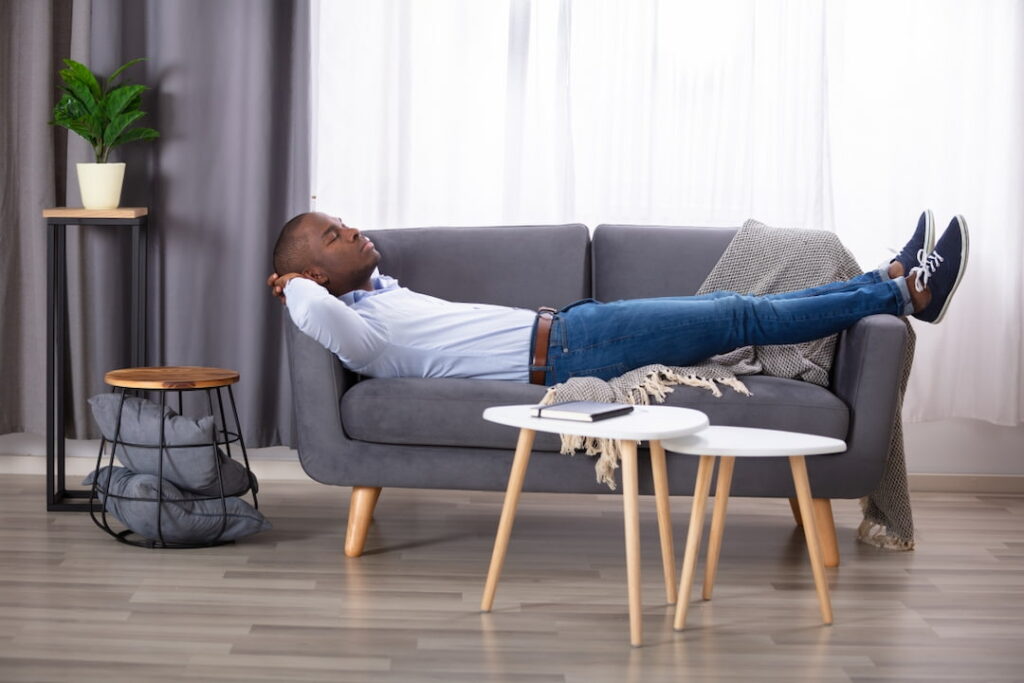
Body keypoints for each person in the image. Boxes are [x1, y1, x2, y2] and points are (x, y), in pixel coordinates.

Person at [267, 211, 968, 386]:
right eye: (333, 234)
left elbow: (335, 292)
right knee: (741, 313)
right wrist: (292, 285)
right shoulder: (362, 335)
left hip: (573, 329)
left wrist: (311, 273)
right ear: (314, 277)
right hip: (571, 354)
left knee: (736, 305)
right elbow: (314, 314)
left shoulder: (380, 297)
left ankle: (887, 277)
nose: (352, 229)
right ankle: (905, 293)